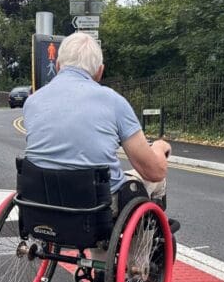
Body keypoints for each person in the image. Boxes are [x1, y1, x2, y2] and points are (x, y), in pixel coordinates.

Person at [23, 32, 171, 217]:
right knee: (157, 181)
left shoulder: (32, 101)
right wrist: (159, 147)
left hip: (40, 200)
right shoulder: (113, 101)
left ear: (58, 65)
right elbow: (153, 171)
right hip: (96, 206)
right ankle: (145, 241)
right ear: (100, 72)